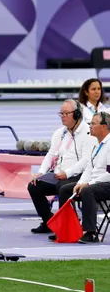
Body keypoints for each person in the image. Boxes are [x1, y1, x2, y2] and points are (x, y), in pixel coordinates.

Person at [28, 99, 95, 234]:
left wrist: (68, 173)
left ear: (76, 114)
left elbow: (86, 161)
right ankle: (49, 222)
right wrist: (41, 172)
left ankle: (67, 227)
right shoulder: (60, 133)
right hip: (58, 174)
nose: (63, 116)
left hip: (77, 175)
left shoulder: (88, 132)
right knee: (34, 185)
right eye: (61, 113)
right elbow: (50, 155)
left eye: (66, 113)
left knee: (62, 187)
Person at [64, 112, 110, 244]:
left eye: (93, 124)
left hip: (107, 182)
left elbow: (109, 173)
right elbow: (89, 169)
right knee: (66, 190)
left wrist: (89, 184)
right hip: (96, 182)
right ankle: (68, 229)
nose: (90, 126)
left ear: (103, 126)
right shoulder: (96, 144)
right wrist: (80, 183)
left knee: (87, 191)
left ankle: (91, 233)